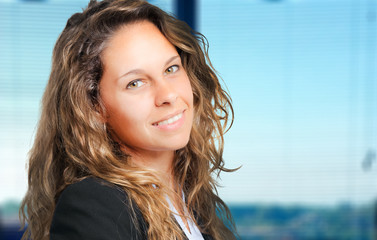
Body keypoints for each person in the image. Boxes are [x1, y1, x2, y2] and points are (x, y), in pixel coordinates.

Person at [19, 0, 237, 239]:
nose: (168, 95)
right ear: (94, 107)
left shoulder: (190, 199)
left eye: (171, 69)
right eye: (135, 83)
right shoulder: (94, 204)